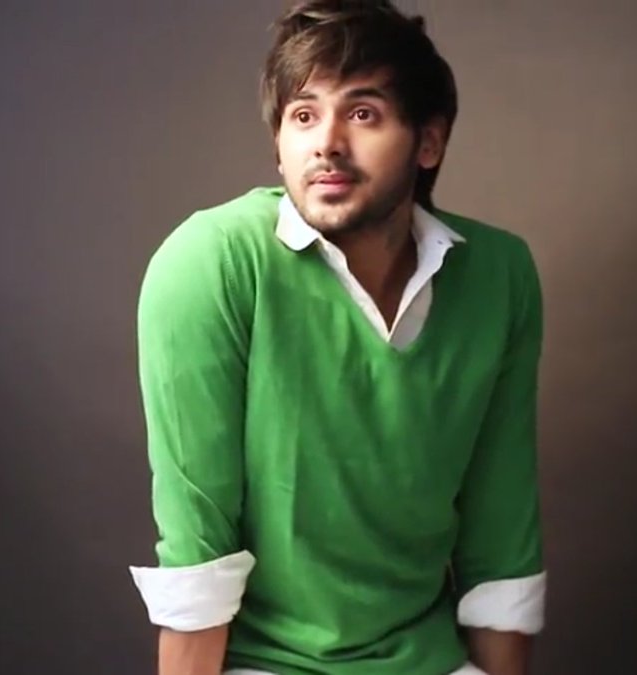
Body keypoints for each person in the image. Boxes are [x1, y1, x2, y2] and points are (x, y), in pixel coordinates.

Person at [129, 1, 546, 673]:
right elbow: (196, 559)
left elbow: (501, 536)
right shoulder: (210, 262)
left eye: (363, 113)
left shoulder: (500, 274)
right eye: (303, 115)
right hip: (264, 662)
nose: (326, 142)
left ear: (429, 142)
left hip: (430, 660)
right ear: (278, 144)